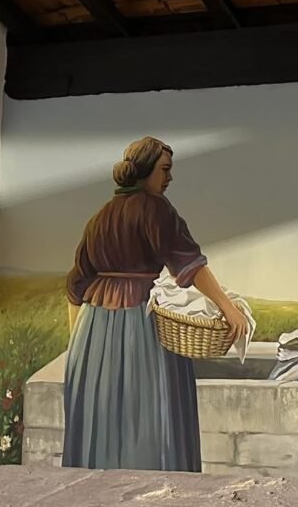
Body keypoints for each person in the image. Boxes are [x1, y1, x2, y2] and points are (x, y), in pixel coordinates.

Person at [63, 136, 248, 471]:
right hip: (142, 326)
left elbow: (75, 285)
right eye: (164, 169)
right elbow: (189, 264)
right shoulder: (155, 209)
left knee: (102, 417)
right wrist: (228, 307)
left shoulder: (99, 217)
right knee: (147, 415)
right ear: (146, 170)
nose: (169, 177)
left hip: (92, 333)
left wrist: (78, 345)